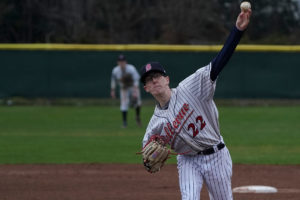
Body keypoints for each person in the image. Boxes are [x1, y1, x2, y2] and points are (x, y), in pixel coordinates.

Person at [140, 9, 251, 200]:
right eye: (149, 80)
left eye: (157, 76)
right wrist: (149, 158)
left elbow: (218, 63)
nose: (154, 81)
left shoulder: (191, 87)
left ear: (167, 79)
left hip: (217, 155)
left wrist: (237, 31)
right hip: (188, 161)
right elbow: (147, 155)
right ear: (146, 89)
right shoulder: (155, 124)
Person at [111, 54, 142, 128]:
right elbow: (113, 80)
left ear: (126, 62)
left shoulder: (131, 68)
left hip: (133, 87)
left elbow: (136, 79)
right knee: (124, 103)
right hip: (124, 88)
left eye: (123, 61)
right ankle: (124, 123)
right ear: (117, 62)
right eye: (120, 61)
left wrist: (135, 91)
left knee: (137, 102)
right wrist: (112, 90)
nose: (121, 63)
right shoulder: (115, 70)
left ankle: (137, 117)